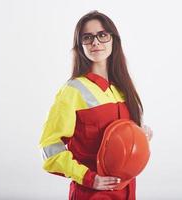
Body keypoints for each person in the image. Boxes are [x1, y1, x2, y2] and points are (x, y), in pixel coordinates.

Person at [38, 10, 153, 200]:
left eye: (102, 35)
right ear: (80, 45)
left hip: (127, 191)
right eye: (87, 37)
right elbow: (49, 146)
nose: (95, 42)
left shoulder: (123, 89)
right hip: (91, 194)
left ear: (113, 39)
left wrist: (141, 135)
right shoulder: (72, 91)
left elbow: (121, 139)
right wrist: (88, 177)